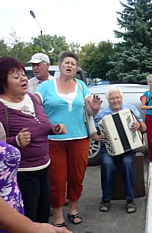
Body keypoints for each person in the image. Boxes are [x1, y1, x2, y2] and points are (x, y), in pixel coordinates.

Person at [0, 57, 66, 226]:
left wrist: (54, 128)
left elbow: (43, 124)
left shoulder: (31, 98)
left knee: (43, 215)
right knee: (28, 220)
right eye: (16, 77)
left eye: (23, 75)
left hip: (44, 167)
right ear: (3, 82)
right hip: (22, 174)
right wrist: (15, 141)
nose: (24, 79)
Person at [35, 51, 102, 227]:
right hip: (53, 141)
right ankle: (58, 216)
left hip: (79, 140)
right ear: (60, 66)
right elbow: (33, 108)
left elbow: (89, 110)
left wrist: (94, 109)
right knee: (56, 180)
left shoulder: (81, 86)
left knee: (76, 177)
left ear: (76, 68)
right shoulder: (46, 86)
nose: (70, 66)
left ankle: (73, 209)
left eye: (73, 63)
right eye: (67, 63)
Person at [93, 87, 146, 214]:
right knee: (107, 164)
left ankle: (130, 200)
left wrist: (138, 126)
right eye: (112, 98)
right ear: (108, 100)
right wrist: (97, 137)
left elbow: (144, 128)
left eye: (117, 98)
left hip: (128, 148)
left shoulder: (130, 109)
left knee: (128, 163)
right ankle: (105, 199)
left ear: (121, 98)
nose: (115, 100)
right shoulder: (102, 114)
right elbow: (92, 133)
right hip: (110, 148)